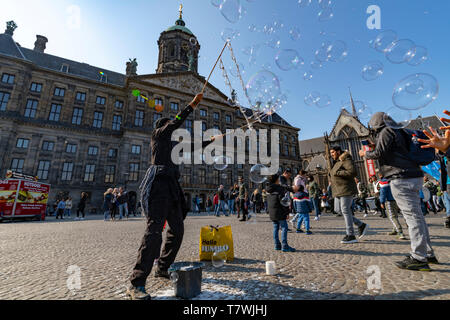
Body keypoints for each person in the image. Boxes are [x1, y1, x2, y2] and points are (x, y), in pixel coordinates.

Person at [128, 93, 212, 300]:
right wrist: (192, 105)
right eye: (170, 126)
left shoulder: (174, 145)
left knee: (178, 229)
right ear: (163, 127)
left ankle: (163, 267)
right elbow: (175, 123)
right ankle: (136, 283)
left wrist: (209, 142)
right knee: (154, 232)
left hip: (173, 186)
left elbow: (192, 147)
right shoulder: (158, 134)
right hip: (158, 184)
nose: (174, 129)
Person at [360, 112, 437, 271]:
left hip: (401, 178)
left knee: (413, 218)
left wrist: (365, 153)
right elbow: (392, 150)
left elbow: (379, 153)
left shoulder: (386, 131)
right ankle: (428, 253)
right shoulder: (400, 130)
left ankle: (418, 257)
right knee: (418, 217)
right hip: (413, 175)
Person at [329, 146, 368, 244]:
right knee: (337, 210)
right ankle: (360, 224)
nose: (331, 154)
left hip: (346, 188)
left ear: (338, 151)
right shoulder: (337, 161)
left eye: (333, 152)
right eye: (330, 153)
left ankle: (351, 235)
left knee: (345, 210)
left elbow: (353, 172)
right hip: (338, 190)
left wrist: (337, 172)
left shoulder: (346, 158)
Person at [267, 174, 296, 252]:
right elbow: (284, 202)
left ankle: (277, 245)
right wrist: (287, 212)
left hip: (272, 212)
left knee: (275, 228)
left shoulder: (268, 189)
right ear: (276, 180)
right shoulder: (279, 189)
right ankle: (284, 246)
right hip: (279, 211)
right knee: (284, 228)